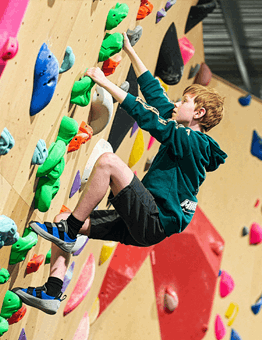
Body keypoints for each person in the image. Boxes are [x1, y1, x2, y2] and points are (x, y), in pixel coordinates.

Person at [12, 32, 227, 314]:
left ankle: (70, 231)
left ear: (198, 113)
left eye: (184, 101)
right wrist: (129, 51)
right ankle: (51, 291)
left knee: (108, 163)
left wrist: (105, 82)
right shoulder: (183, 134)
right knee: (63, 218)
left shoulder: (193, 142)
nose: (176, 104)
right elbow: (156, 99)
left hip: (155, 219)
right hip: (143, 224)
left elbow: (149, 117)